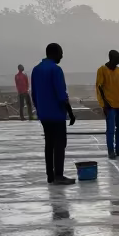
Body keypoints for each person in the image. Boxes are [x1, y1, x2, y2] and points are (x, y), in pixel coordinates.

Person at [31, 42, 76, 185]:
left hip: (44, 114)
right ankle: (59, 175)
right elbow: (61, 95)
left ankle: (50, 175)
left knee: (49, 144)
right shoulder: (56, 70)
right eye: (60, 53)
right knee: (59, 144)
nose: (62, 56)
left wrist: (39, 110)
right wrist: (70, 112)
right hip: (56, 114)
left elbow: (34, 94)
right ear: (54, 53)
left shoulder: (36, 70)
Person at [95, 50, 119, 159]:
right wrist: (104, 104)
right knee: (110, 129)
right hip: (110, 106)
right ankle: (111, 151)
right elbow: (99, 88)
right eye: (117, 58)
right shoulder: (102, 70)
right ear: (111, 58)